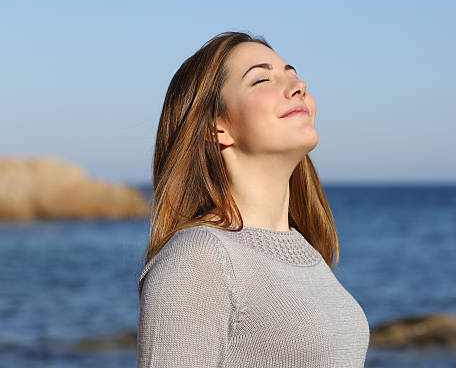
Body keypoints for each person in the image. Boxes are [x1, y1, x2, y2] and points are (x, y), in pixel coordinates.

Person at [137, 31, 370, 367]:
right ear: (216, 126)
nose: (298, 87)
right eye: (262, 79)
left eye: (293, 76)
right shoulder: (198, 259)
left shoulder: (308, 252)